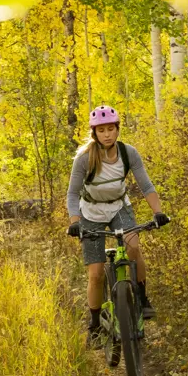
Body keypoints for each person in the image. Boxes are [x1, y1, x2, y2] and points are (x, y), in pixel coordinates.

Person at [66, 104, 170, 344]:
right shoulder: (84, 159)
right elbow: (72, 194)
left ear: (117, 129)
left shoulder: (128, 153)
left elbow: (146, 185)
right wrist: (75, 222)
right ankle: (94, 326)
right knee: (95, 274)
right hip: (90, 212)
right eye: (101, 131)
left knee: (133, 246)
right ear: (95, 133)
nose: (107, 134)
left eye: (111, 129)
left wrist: (158, 212)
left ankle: (142, 299)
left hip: (118, 207)